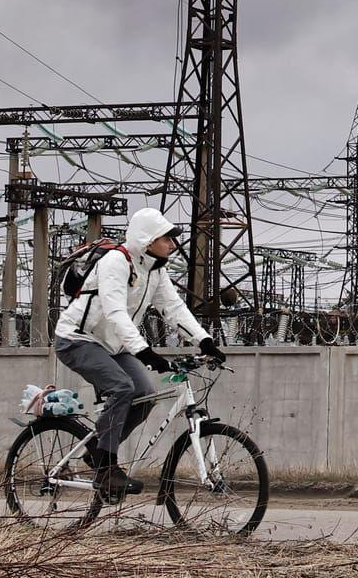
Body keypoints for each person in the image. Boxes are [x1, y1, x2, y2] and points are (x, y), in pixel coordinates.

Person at [53, 207, 225, 500]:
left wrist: (204, 340)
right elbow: (115, 312)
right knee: (122, 387)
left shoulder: (154, 270)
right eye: (166, 238)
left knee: (144, 395)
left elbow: (173, 308)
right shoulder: (116, 262)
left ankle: (97, 450)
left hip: (113, 345)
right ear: (147, 240)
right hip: (77, 339)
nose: (172, 244)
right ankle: (107, 466)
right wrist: (145, 353)